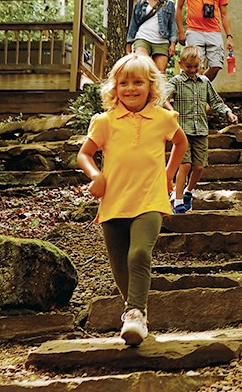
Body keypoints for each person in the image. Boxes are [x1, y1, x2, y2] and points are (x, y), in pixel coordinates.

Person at [76, 53, 188, 347]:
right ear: (114, 87)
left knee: (138, 253)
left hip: (150, 199)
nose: (130, 88)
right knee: (119, 264)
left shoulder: (163, 119)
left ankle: (134, 312)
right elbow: (84, 154)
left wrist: (168, 173)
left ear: (151, 87)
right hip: (113, 201)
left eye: (138, 82)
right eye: (123, 82)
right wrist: (95, 177)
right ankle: (137, 313)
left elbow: (181, 142)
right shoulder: (105, 122)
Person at [167, 45, 237, 213]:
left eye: (196, 67)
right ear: (181, 64)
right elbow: (161, 97)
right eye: (188, 67)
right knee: (185, 165)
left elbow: (216, 101)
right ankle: (177, 201)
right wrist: (171, 111)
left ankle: (188, 192)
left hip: (200, 131)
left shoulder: (204, 82)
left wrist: (228, 113)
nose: (192, 70)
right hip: (182, 131)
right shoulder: (176, 82)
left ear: (201, 64)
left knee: (198, 167)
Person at [176, 0, 233, 82]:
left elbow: (224, 14)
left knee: (216, 65)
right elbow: (178, 7)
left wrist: (229, 36)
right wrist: (180, 31)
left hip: (213, 31)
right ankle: (195, 94)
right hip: (194, 30)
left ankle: (200, 87)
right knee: (194, 66)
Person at [126, 0, 176, 72]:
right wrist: (129, 42)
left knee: (160, 71)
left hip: (161, 40)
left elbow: (172, 24)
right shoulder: (141, 3)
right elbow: (134, 23)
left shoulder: (168, 4)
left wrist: (173, 43)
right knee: (142, 65)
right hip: (143, 37)